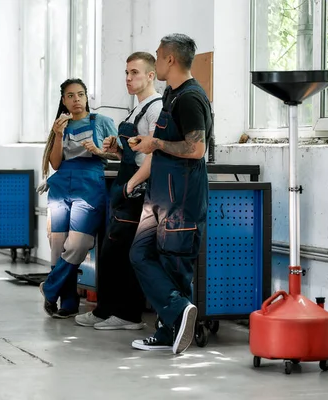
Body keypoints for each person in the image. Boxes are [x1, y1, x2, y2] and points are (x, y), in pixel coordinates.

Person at [127, 34, 213, 354]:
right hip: (159, 195)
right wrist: (139, 173)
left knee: (175, 264)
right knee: (141, 253)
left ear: (170, 60)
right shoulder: (171, 95)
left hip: (182, 197)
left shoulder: (190, 98)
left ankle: (170, 330)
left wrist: (156, 144)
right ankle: (177, 312)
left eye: (159, 54)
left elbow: (197, 148)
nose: (157, 58)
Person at [74, 52, 162, 330]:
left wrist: (131, 185)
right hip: (126, 186)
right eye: (126, 72)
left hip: (137, 191)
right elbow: (133, 151)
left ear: (150, 75)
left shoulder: (156, 108)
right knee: (111, 251)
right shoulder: (136, 109)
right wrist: (115, 149)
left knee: (123, 253)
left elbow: (153, 155)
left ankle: (128, 315)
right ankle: (106, 310)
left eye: (135, 72)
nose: (128, 78)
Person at [39, 78, 119, 318]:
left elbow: (119, 155)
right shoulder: (60, 126)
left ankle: (49, 287)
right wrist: (57, 134)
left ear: (87, 98)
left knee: (78, 244)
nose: (76, 100)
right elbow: (55, 163)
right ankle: (68, 302)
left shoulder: (103, 122)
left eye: (81, 94)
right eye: (71, 96)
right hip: (62, 185)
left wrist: (99, 151)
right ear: (64, 101)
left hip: (89, 185)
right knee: (57, 245)